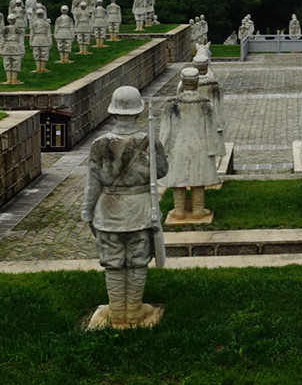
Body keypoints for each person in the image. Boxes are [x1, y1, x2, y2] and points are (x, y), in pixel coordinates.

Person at [81, 86, 168, 329]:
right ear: (138, 112)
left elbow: (93, 181)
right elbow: (162, 172)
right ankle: (133, 311)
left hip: (108, 210)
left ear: (114, 111)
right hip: (140, 210)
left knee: (113, 261)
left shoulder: (100, 144)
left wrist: (87, 211)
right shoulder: (149, 141)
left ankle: (117, 310)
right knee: (138, 261)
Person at [160, 67, 218, 224]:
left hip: (177, 147)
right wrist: (213, 149)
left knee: (177, 179)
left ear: (182, 83)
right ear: (197, 82)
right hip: (199, 146)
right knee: (198, 177)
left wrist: (162, 149)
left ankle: (179, 210)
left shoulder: (170, 105)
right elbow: (211, 129)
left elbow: (165, 131)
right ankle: (198, 210)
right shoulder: (206, 104)